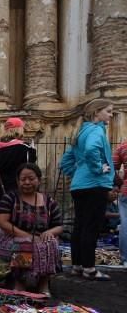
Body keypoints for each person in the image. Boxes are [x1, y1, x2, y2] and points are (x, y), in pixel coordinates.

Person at [0, 163, 63, 296]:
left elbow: (59, 226)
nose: (27, 182)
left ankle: (43, 283)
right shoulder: (10, 199)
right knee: (25, 244)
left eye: (31, 179)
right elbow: (2, 222)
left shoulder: (49, 202)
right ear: (18, 181)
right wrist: (27, 236)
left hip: (40, 238)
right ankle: (20, 282)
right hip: (12, 238)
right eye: (23, 179)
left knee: (50, 242)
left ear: (38, 180)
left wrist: (50, 232)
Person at [67, 99, 115, 280]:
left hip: (79, 186)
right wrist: (97, 169)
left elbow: (66, 160)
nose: (111, 115)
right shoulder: (96, 130)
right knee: (91, 227)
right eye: (108, 111)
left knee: (79, 226)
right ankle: (89, 268)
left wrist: (79, 173)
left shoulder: (80, 132)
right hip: (95, 185)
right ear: (97, 113)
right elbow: (91, 149)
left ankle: (77, 265)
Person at [0, 117, 37, 207]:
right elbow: (31, 172)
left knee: (2, 221)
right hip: (20, 196)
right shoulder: (25, 148)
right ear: (19, 129)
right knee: (20, 221)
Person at [112, 139, 127, 265]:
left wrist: (118, 183)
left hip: (126, 190)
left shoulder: (123, 145)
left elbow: (113, 165)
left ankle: (125, 259)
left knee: (125, 225)